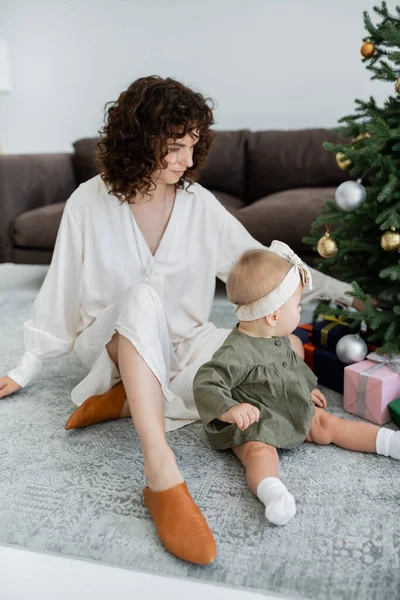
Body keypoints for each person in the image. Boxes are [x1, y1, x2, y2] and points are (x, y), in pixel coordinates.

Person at [0, 76, 367, 564]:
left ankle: (130, 399)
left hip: (187, 342)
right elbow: (61, 290)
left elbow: (264, 267)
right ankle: (161, 472)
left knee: (247, 371)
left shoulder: (198, 205)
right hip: (110, 340)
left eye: (193, 147)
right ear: (139, 139)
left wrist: (352, 298)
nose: (187, 162)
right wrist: (25, 366)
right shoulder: (88, 202)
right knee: (140, 298)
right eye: (174, 147)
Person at [193, 244, 400, 527]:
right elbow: (206, 381)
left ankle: (389, 443)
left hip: (285, 402)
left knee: (328, 424)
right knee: (258, 452)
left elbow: (290, 363)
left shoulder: (276, 335)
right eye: (298, 305)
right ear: (274, 316)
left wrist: (304, 386)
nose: (301, 310)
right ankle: (273, 493)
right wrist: (231, 409)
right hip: (255, 420)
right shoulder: (236, 352)